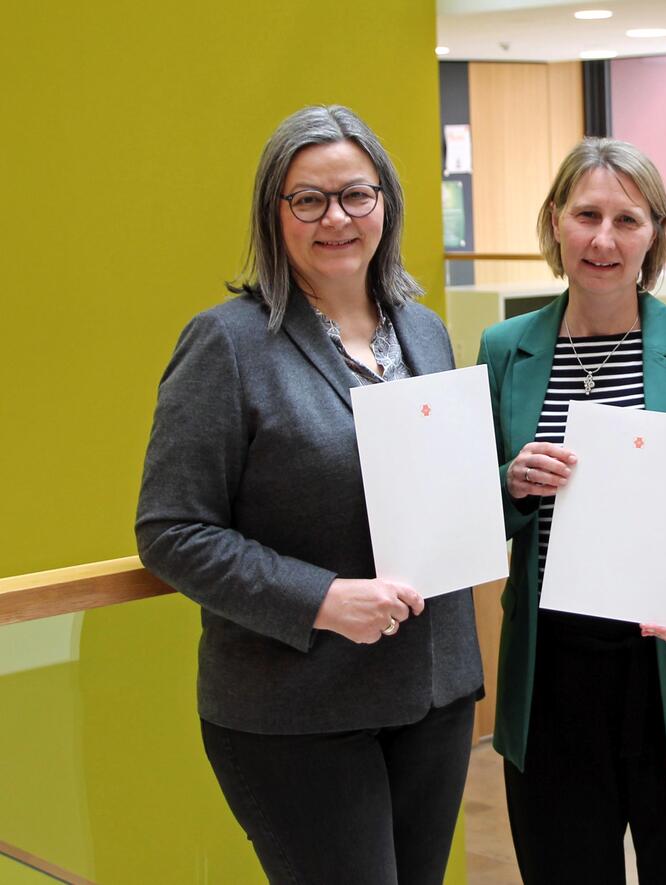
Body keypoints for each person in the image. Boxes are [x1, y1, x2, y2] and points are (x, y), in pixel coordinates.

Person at [135, 105, 482, 885]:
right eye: (309, 199)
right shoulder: (227, 342)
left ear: (385, 203)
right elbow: (171, 529)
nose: (337, 217)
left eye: (356, 195)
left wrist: (501, 483)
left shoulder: (424, 331)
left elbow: (421, 494)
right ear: (274, 212)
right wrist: (322, 598)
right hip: (298, 710)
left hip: (433, 694)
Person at [477, 137, 666, 885]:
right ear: (555, 223)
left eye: (627, 220)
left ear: (655, 236)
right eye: (586, 215)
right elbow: (477, 514)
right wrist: (508, 484)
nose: (603, 239)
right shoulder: (505, 349)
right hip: (552, 682)